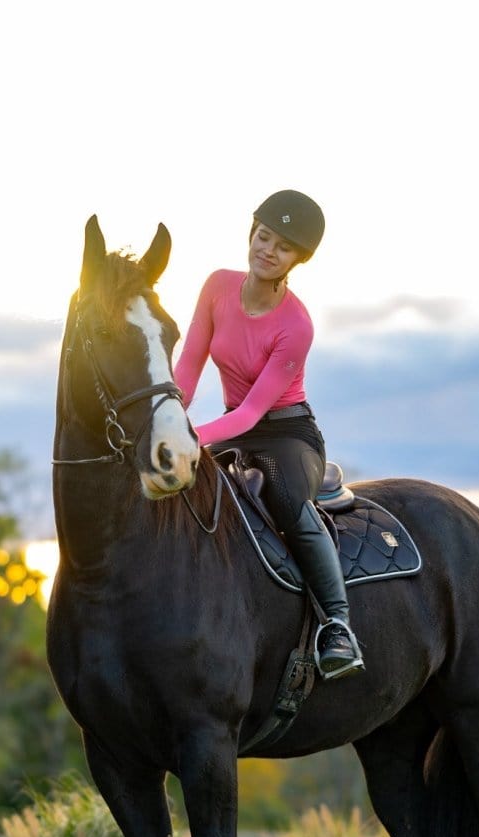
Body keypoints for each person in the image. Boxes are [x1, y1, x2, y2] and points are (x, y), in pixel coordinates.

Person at [174, 189, 364, 680]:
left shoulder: (296, 324)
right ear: (251, 233)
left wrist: (192, 436)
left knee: (285, 501)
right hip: (230, 425)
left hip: (286, 433)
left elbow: (254, 410)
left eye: (282, 246)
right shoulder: (217, 286)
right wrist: (168, 419)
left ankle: (338, 626)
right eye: (263, 236)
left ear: (297, 259)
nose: (267, 250)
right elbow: (190, 367)